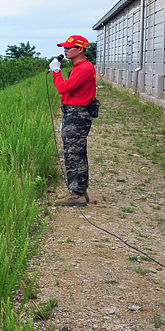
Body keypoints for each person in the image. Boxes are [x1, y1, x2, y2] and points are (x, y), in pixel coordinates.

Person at [50, 34, 97, 207]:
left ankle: (76, 193)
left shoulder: (84, 68)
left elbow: (63, 88)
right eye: (65, 47)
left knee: (73, 153)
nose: (66, 50)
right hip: (74, 113)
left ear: (81, 49)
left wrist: (56, 72)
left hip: (77, 114)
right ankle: (79, 190)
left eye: (69, 47)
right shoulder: (79, 67)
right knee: (77, 152)